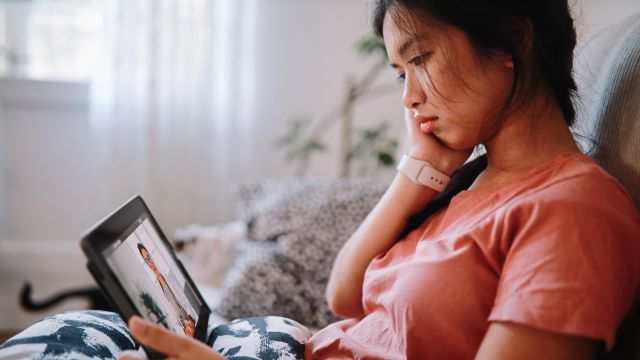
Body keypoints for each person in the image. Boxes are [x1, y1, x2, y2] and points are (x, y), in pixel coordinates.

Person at [1, 0, 639, 359]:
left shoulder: (572, 210)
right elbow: (345, 296)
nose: (410, 98)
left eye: (421, 58)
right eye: (399, 74)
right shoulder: (473, 182)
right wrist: (419, 175)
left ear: (512, 42)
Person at [136, 243, 194, 337]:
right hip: (183, 329)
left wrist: (190, 318)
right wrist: (184, 328)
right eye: (146, 260)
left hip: (190, 318)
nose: (150, 262)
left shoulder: (167, 277)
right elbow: (170, 316)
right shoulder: (156, 290)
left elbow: (183, 298)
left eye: (149, 257)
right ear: (146, 264)